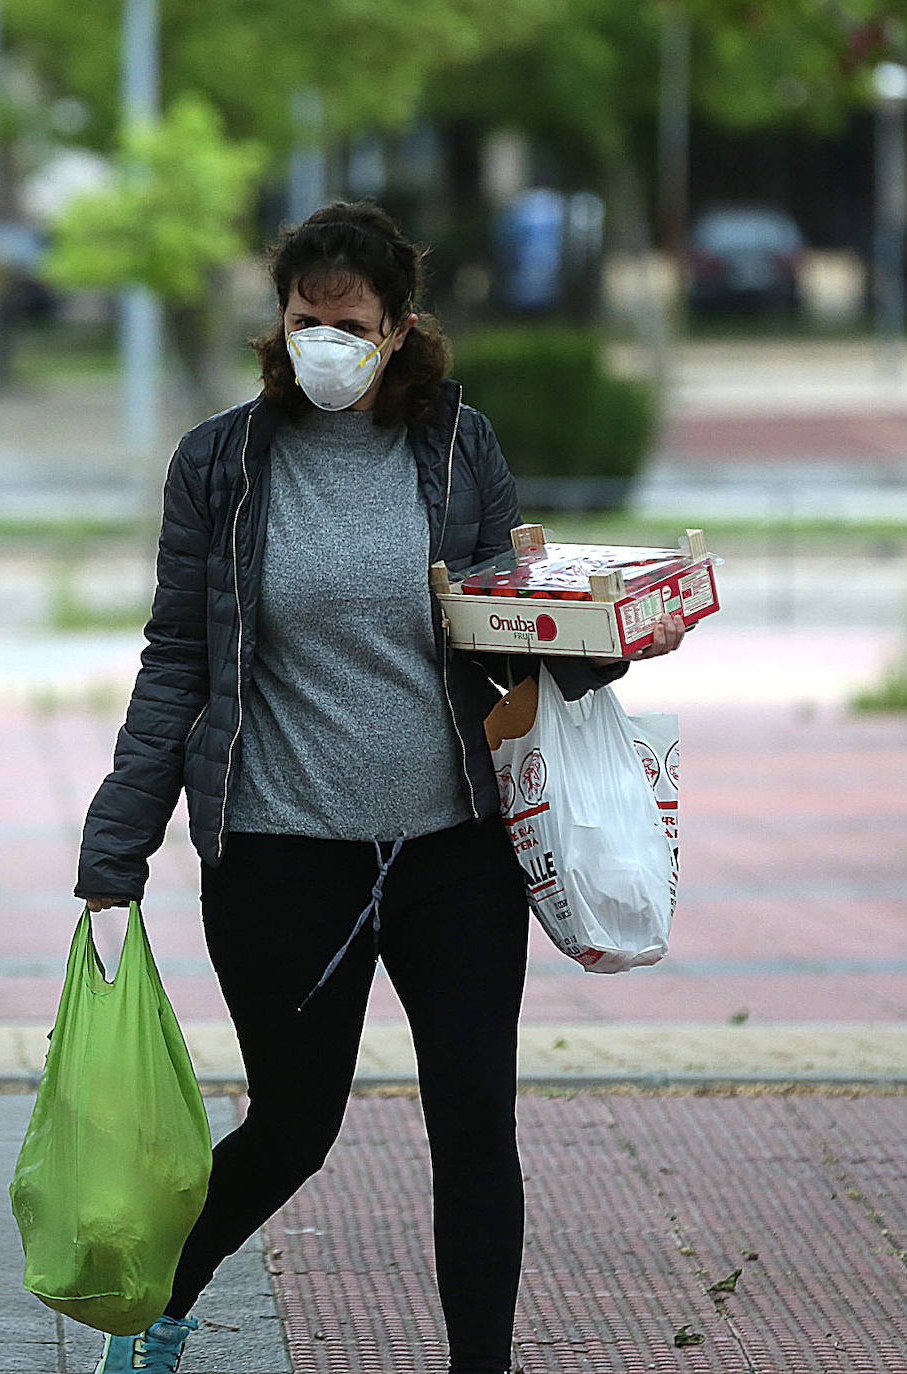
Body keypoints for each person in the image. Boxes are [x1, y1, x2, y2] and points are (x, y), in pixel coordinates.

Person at [75, 201, 687, 1374]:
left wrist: (591, 634)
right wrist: (119, 846)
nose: (325, 345)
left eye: (350, 326)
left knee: (474, 1128)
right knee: (296, 1130)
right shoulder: (221, 462)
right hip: (278, 852)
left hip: (451, 850)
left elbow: (509, 630)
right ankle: (168, 1298)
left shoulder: (459, 447)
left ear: (398, 329)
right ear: (280, 320)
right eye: (307, 321)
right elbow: (178, 660)